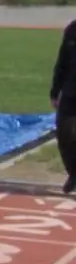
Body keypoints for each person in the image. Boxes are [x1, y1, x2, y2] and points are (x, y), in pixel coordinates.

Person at [50, 18, 76, 194]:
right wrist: (55, 91)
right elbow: (62, 62)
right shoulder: (72, 30)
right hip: (71, 91)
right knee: (65, 135)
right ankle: (74, 174)